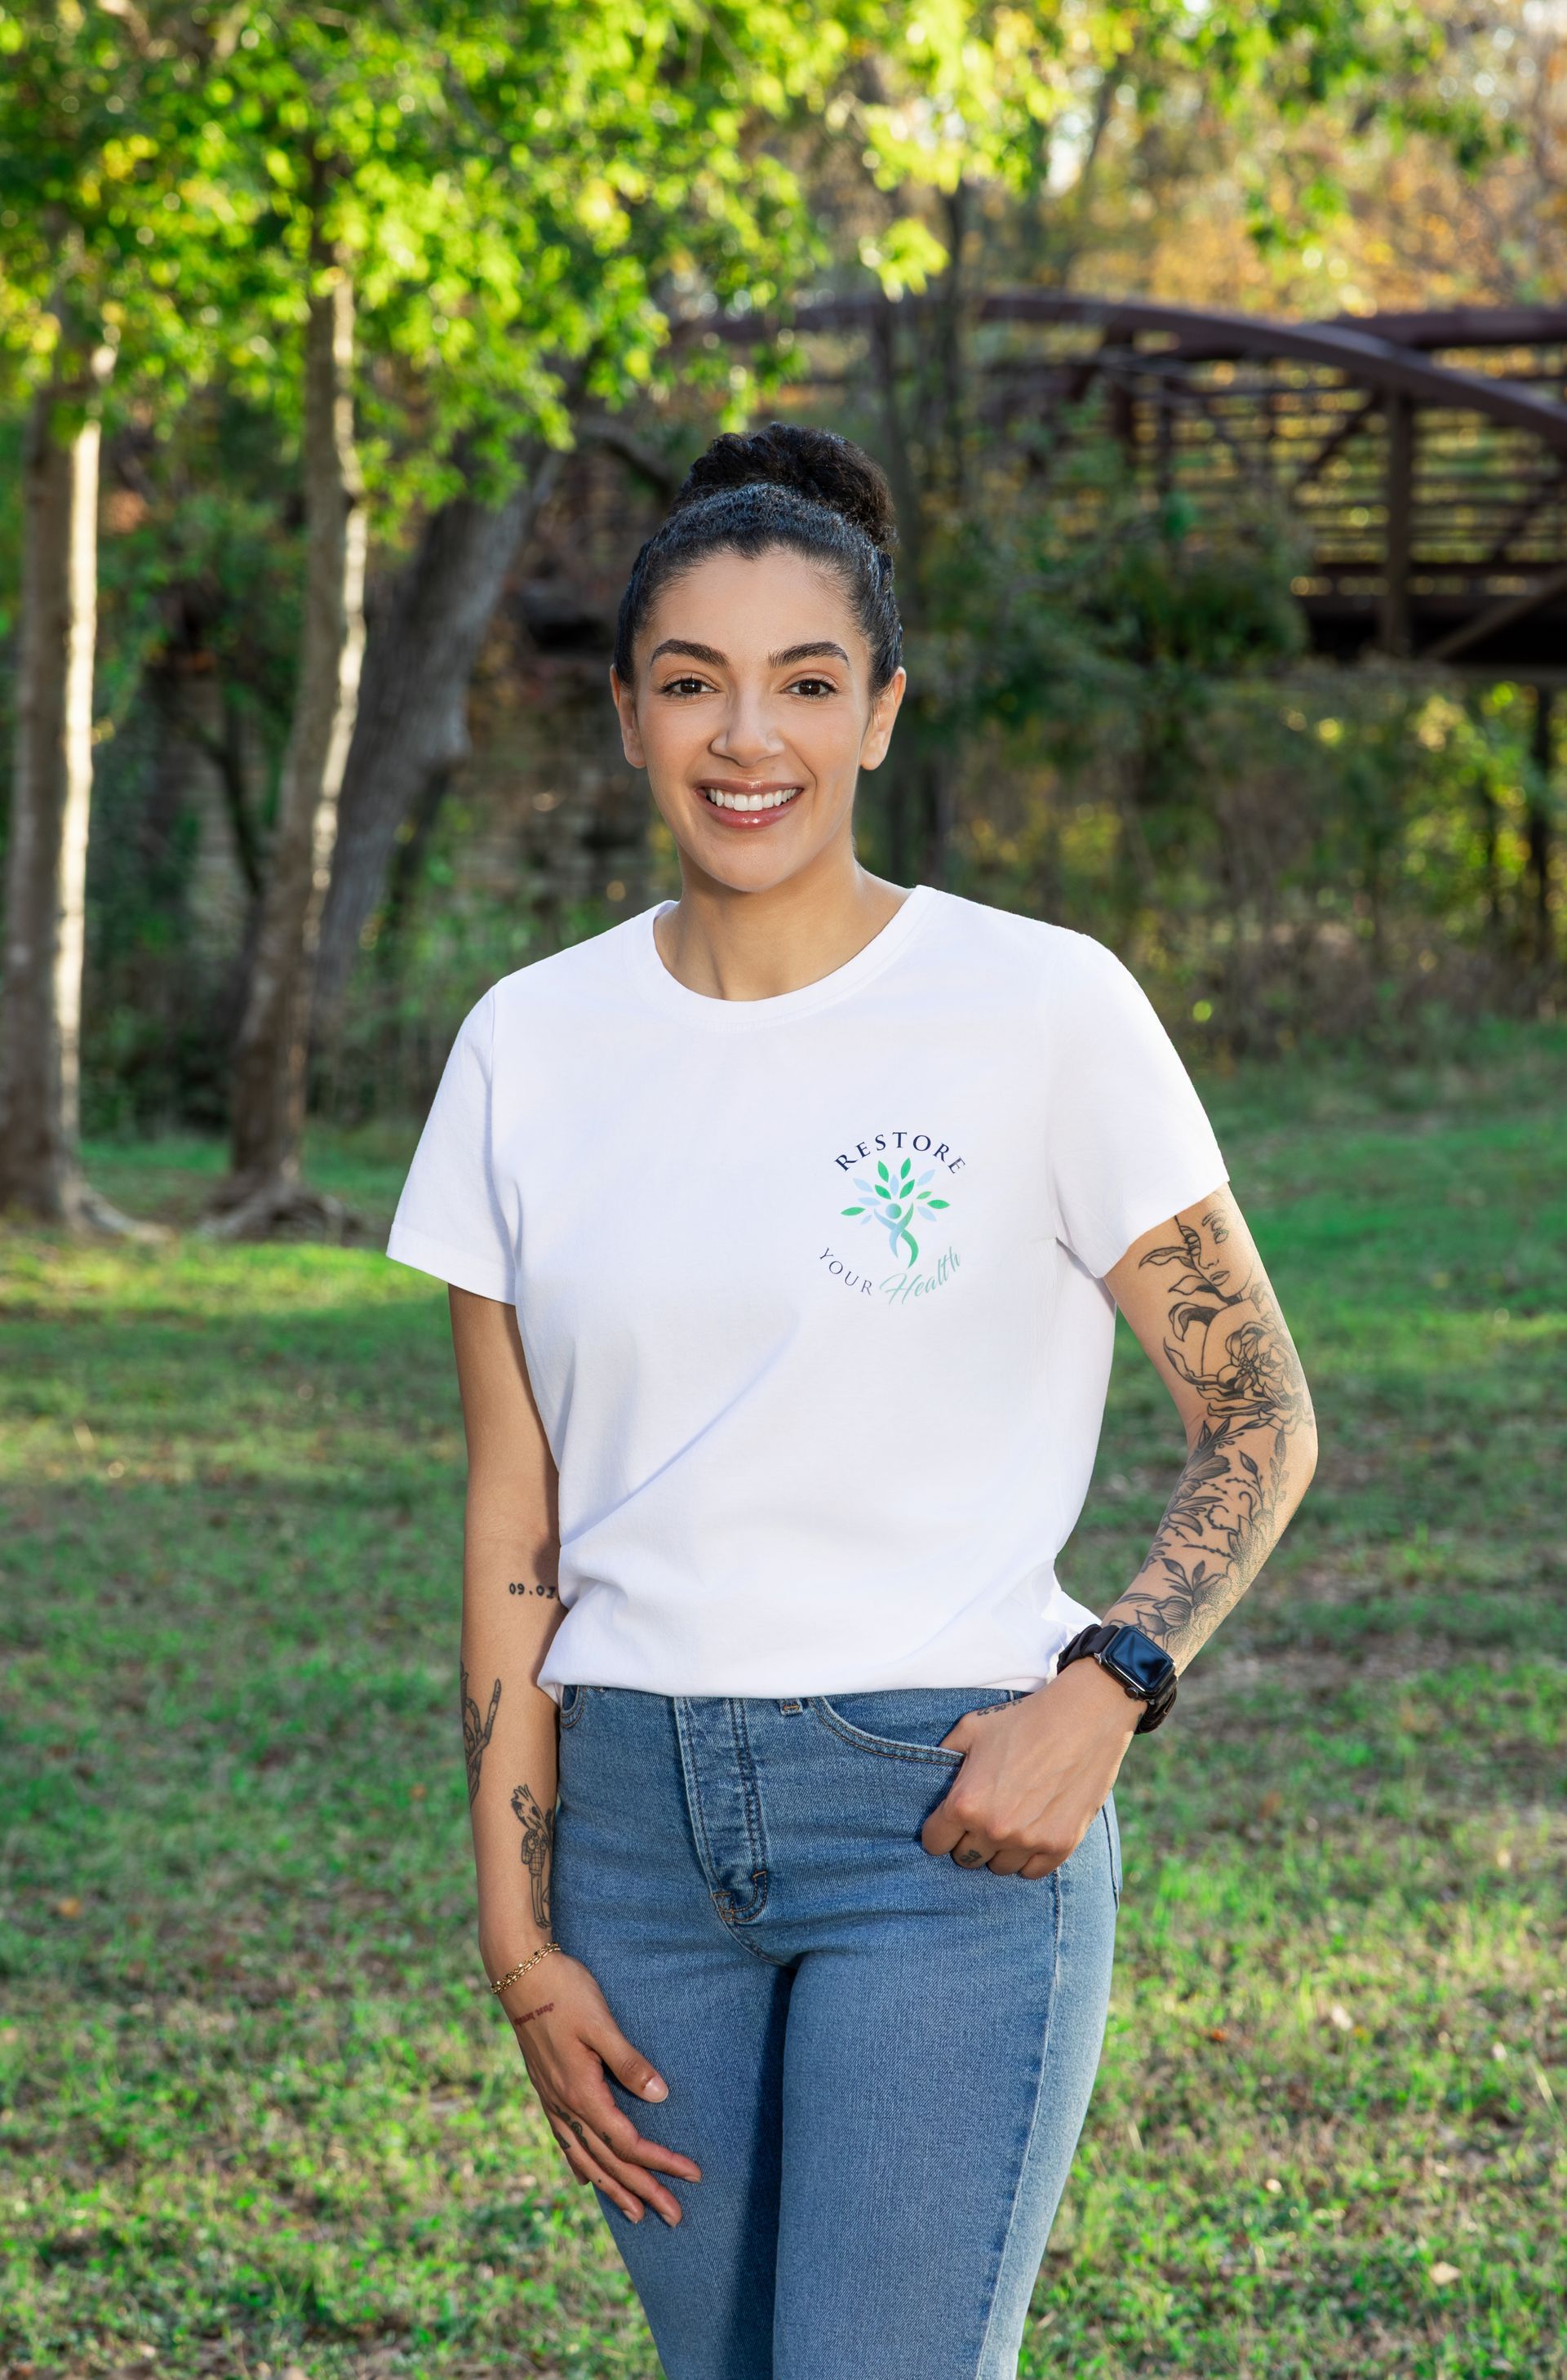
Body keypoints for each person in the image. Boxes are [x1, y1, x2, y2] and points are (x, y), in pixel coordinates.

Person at [386, 423, 1318, 2380]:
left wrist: (1112, 1689)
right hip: (631, 1841)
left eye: (807, 683)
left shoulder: (1043, 1008)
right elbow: (515, 1528)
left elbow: (1259, 1413)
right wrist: (520, 1932)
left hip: (942, 1826)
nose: (751, 739)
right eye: (693, 683)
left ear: (882, 710)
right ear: (629, 718)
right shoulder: (525, 1046)